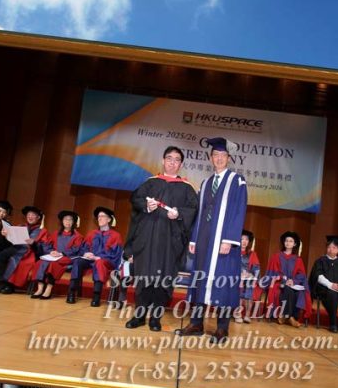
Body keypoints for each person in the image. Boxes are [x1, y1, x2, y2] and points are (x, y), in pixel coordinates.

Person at [176, 137, 248, 344]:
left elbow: (239, 211)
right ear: (210, 158)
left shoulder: (237, 181)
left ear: (229, 158)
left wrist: (229, 239)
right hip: (204, 239)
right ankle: (196, 324)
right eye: (215, 155)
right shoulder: (206, 183)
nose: (219, 158)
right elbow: (199, 213)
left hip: (224, 241)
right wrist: (194, 238)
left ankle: (222, 328)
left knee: (222, 283)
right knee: (200, 279)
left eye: (223, 155)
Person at [125, 146, 198, 331]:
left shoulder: (187, 188)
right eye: (169, 158)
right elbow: (135, 200)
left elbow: (193, 210)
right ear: (163, 161)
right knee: (143, 277)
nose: (172, 163)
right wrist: (146, 206)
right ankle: (139, 316)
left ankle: (155, 318)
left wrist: (179, 214)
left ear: (181, 164)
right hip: (147, 239)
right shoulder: (150, 183)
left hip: (170, 242)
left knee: (163, 279)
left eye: (176, 160)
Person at [66, 207, 122, 307]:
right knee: (78, 261)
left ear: (109, 219)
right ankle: (71, 292)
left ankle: (96, 296)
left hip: (106, 261)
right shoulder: (92, 233)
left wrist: (98, 257)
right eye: (98, 217)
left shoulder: (115, 235)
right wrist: (86, 253)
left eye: (102, 216)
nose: (99, 218)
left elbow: (115, 254)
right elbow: (84, 248)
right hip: (90, 260)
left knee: (99, 263)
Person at [0, 206, 51, 294]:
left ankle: (10, 286)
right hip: (16, 248)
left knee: (16, 260)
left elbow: (44, 249)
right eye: (28, 215)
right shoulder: (20, 226)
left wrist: (34, 243)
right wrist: (6, 236)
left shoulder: (43, 231)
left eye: (33, 215)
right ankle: (1, 282)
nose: (30, 217)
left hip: (31, 253)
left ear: (38, 217)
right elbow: (10, 242)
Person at [261, 231, 312, 327]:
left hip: (293, 284)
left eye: (291, 241)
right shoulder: (276, 257)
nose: (288, 243)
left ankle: (285, 316)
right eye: (286, 241)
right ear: (283, 242)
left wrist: (293, 281)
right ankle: (290, 317)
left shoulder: (298, 260)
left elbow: (301, 275)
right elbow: (272, 273)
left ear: (295, 244)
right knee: (288, 289)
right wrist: (284, 280)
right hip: (278, 283)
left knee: (295, 291)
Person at [30, 210, 84, 299]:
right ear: (62, 221)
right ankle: (40, 289)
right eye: (65, 219)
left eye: (70, 219)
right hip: (54, 256)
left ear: (74, 222)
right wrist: (51, 251)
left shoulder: (78, 236)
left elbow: (76, 249)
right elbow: (48, 245)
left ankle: (48, 289)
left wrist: (61, 253)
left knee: (53, 264)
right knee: (40, 262)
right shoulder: (56, 233)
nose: (68, 221)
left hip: (67, 258)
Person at [235, 229, 260, 324]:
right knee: (240, 287)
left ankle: (247, 315)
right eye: (242, 239)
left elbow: (256, 268)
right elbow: (230, 266)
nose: (244, 241)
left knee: (250, 287)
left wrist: (250, 274)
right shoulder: (234, 252)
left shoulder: (252, 254)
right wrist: (239, 273)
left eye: (246, 239)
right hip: (234, 278)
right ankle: (237, 313)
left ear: (249, 241)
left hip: (248, 278)